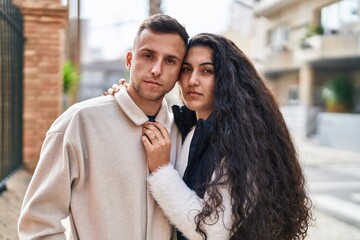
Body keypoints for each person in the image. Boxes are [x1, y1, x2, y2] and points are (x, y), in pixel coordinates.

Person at [18, 13, 189, 239]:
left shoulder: (185, 133)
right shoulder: (78, 123)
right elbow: (38, 223)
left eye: (170, 61)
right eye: (148, 55)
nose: (156, 69)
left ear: (179, 72)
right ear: (129, 60)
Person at [139, 33, 312, 240]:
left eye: (206, 71)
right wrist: (123, 98)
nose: (192, 80)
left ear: (227, 78)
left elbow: (210, 229)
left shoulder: (244, 141)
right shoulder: (192, 128)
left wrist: (161, 170)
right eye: (187, 69)